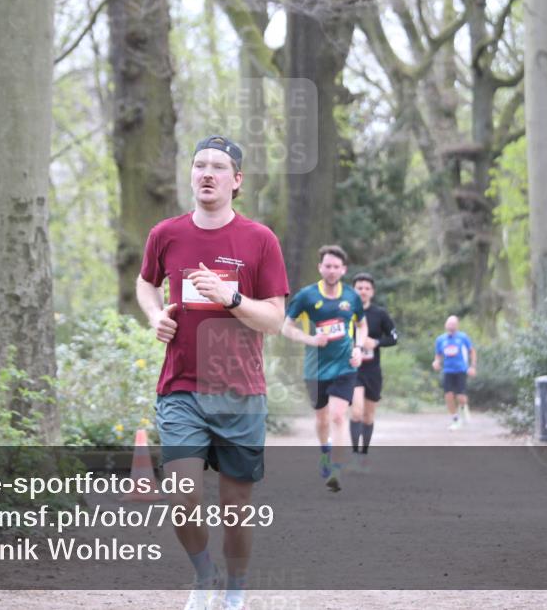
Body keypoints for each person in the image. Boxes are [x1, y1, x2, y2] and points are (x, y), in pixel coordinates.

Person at [136, 135, 288, 610]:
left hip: (241, 392)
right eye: (199, 164)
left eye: (218, 167)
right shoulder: (166, 234)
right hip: (180, 387)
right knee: (182, 496)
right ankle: (204, 575)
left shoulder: (260, 240)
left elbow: (275, 319)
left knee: (236, 510)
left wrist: (232, 297)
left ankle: (236, 587)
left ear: (236, 180)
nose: (207, 173)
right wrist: (154, 315)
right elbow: (145, 282)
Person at [281, 245, 367, 492]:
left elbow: (362, 326)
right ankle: (325, 452)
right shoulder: (306, 296)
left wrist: (358, 348)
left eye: (336, 267)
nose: (331, 270)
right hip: (316, 368)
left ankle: (337, 470)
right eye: (327, 266)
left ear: (344, 270)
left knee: (338, 416)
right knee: (321, 419)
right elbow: (286, 328)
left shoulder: (351, 297)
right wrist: (310, 340)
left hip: (345, 366)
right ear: (320, 268)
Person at [349, 273, 398, 469]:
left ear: (372, 292)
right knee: (356, 412)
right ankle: (354, 454)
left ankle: (364, 454)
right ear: (353, 291)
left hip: (373, 371)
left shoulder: (380, 314)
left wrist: (376, 342)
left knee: (368, 416)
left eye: (367, 288)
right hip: (353, 370)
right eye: (359, 288)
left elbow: (394, 338)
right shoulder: (346, 312)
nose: (363, 291)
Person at [432, 315, 476, 430]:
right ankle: (455, 418)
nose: (450, 326)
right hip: (448, 371)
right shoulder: (441, 339)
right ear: (445, 325)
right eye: (449, 324)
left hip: (461, 370)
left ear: (457, 325)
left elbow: (472, 351)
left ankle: (464, 407)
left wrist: (472, 366)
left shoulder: (463, 337)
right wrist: (436, 362)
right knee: (448, 395)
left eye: (453, 324)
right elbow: (438, 354)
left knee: (461, 397)